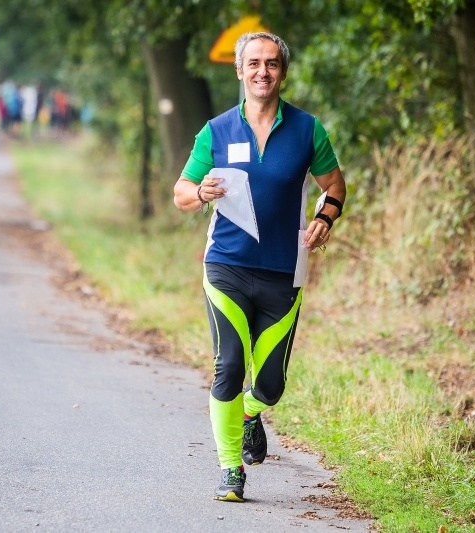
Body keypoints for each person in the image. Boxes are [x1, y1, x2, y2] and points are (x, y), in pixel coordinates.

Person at [173, 32, 346, 502]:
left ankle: (252, 411)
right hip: (226, 265)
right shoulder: (216, 131)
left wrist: (324, 218)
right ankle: (231, 469)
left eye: (271, 63)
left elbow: (334, 186)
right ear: (239, 70)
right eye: (253, 63)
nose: (262, 71)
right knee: (228, 365)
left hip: (283, 272)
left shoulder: (307, 130)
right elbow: (182, 193)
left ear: (282, 72)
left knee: (270, 385)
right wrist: (201, 192)